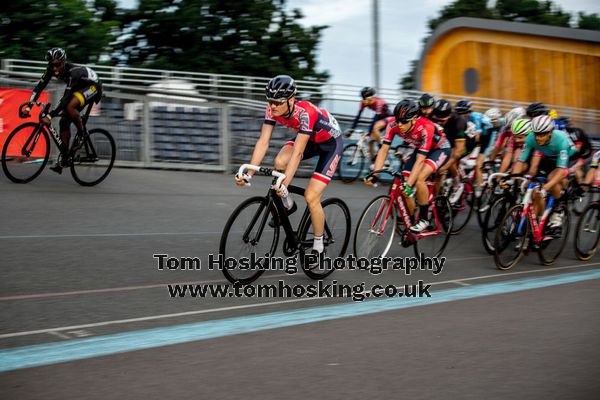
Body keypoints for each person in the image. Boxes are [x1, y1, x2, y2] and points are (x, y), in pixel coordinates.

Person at [235, 75, 343, 255]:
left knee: (311, 196)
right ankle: (287, 204)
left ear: (291, 100)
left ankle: (318, 243)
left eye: (277, 102)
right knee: (279, 161)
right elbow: (263, 142)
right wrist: (249, 174)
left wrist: (285, 184)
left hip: (330, 144)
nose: (273, 106)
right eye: (270, 101)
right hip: (309, 138)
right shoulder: (272, 109)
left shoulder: (305, 113)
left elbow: (298, 154)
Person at [365, 99, 451, 233]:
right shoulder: (393, 124)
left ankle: (424, 219)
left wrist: (409, 185)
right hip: (421, 147)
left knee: (419, 179)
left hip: (440, 149)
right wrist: (375, 174)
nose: (399, 124)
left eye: (404, 121)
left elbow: (420, 161)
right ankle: (410, 223)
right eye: (398, 120)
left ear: (414, 119)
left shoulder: (426, 127)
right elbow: (383, 150)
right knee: (403, 185)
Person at [25, 47, 102, 174]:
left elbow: (66, 98)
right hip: (79, 88)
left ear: (64, 62)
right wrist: (29, 107)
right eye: (51, 65)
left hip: (93, 87)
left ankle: (82, 135)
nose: (54, 68)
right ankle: (65, 157)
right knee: (63, 122)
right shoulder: (51, 70)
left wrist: (51, 115)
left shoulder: (73, 72)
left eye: (57, 65)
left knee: (69, 106)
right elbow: (39, 86)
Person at [512, 115, 576, 228]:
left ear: (550, 132)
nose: (538, 138)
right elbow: (520, 161)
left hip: (568, 156)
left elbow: (560, 170)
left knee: (552, 179)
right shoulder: (530, 138)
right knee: (536, 186)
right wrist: (513, 180)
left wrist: (546, 187)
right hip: (548, 156)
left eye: (542, 134)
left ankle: (558, 209)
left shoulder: (561, 140)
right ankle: (538, 221)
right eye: (536, 134)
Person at [348, 86, 390, 161]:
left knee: (375, 128)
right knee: (370, 140)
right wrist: (352, 129)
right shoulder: (363, 103)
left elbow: (375, 119)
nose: (363, 101)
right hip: (379, 118)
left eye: (364, 98)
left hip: (388, 118)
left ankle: (382, 148)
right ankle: (373, 160)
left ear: (370, 98)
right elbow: (358, 117)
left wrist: (370, 132)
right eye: (362, 98)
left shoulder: (379, 102)